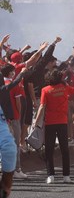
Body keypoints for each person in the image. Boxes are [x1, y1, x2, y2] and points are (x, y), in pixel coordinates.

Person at [33, 69, 74, 184]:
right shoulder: (65, 87)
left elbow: (41, 107)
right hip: (62, 122)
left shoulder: (45, 90)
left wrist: (36, 121)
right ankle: (66, 176)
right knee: (64, 149)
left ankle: (50, 175)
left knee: (49, 150)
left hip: (50, 122)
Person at [0, 66, 28, 197]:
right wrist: (22, 73)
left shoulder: (5, 87)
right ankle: (16, 169)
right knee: (13, 145)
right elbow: (16, 83)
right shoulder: (4, 88)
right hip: (10, 120)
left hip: (6, 120)